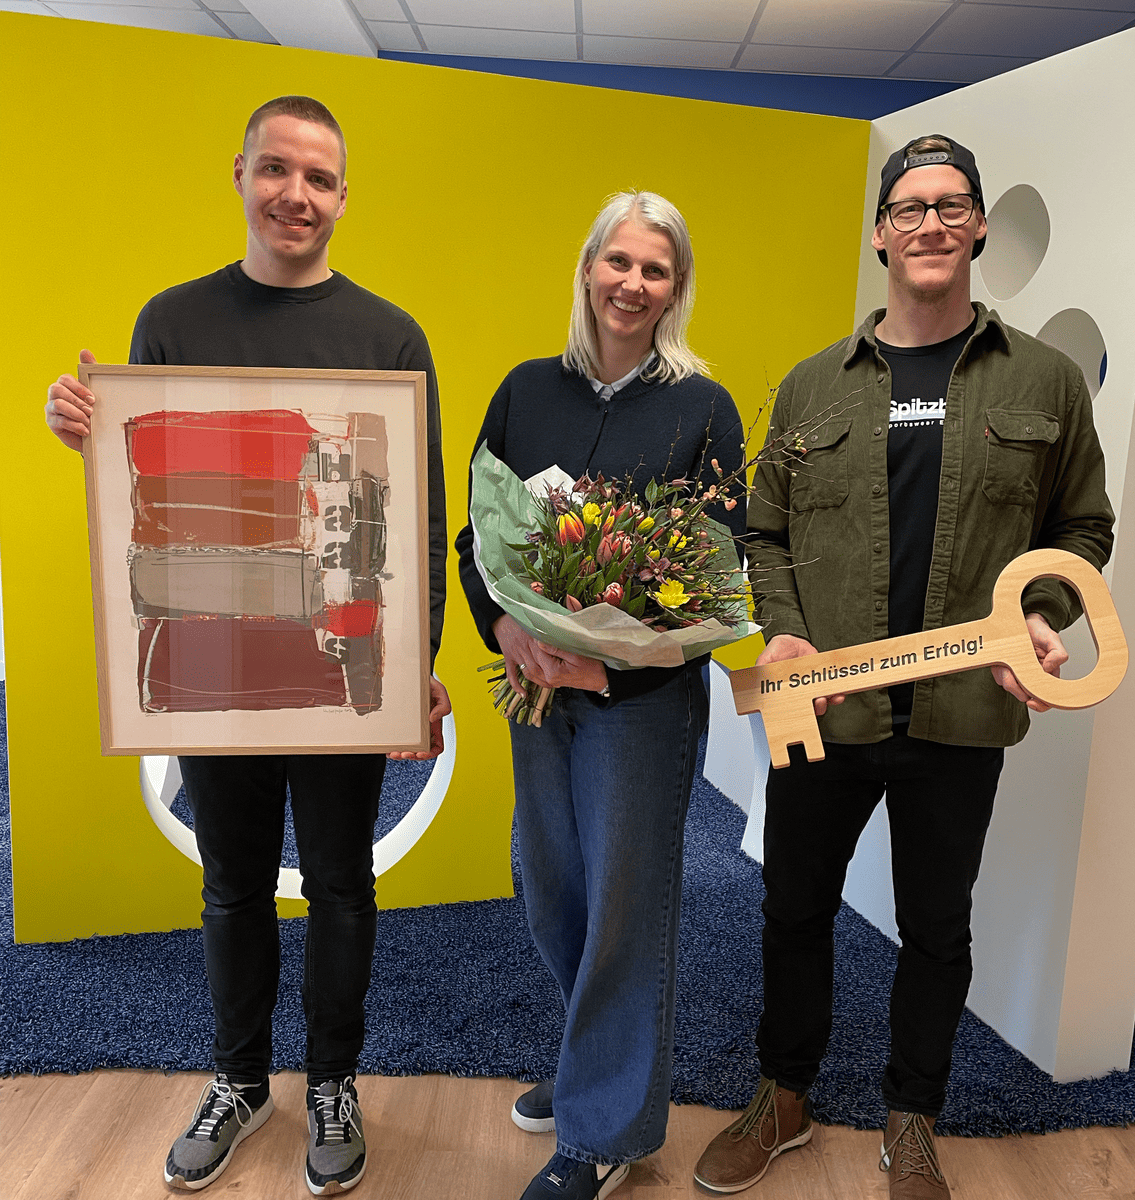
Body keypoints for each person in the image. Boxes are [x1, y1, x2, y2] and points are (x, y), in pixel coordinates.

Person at [693, 135, 1115, 1199]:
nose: (931, 223)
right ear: (881, 233)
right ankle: (784, 1095)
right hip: (824, 709)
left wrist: (1041, 616)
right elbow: (764, 534)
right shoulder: (810, 388)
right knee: (793, 906)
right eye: (910, 207)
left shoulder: (1047, 381)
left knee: (937, 926)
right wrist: (781, 631)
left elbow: (1081, 528)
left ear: (979, 227)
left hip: (964, 710)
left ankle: (912, 1118)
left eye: (951, 205)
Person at [44, 95, 450, 1196]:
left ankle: (332, 1083)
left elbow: (415, 518)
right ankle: (238, 1080)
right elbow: (149, 496)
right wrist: (91, 435)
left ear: (344, 196)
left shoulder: (390, 337)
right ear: (240, 175)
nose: (295, 195)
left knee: (342, 885)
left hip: (339, 667)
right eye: (277, 169)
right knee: (231, 886)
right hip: (214, 665)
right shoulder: (170, 321)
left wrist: (410, 667)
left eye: (319, 178)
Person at [456, 191, 746, 1200]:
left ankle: (604, 1131)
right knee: (552, 887)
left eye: (655, 269)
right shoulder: (526, 390)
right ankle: (599, 1064)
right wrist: (505, 629)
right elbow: (478, 537)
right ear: (587, 268)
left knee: (626, 903)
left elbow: (715, 573)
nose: (633, 283)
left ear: (676, 288)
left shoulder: (702, 408)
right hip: (535, 685)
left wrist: (611, 660)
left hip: (641, 706)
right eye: (618, 261)